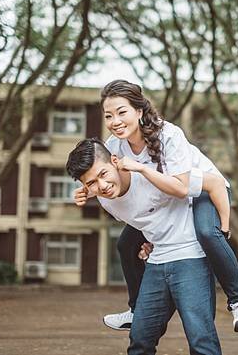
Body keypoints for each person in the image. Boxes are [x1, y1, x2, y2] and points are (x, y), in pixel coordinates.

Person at [98, 79, 238, 333]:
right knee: (126, 243)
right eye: (108, 115)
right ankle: (136, 309)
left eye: (121, 112)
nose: (115, 121)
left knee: (206, 233)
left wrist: (223, 226)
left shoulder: (168, 134)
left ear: (139, 112)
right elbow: (104, 175)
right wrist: (85, 188)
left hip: (205, 189)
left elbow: (183, 188)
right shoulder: (113, 146)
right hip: (165, 199)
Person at [67, 138, 222, 355]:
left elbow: (204, 188)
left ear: (115, 161)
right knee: (140, 341)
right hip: (157, 264)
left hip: (190, 257)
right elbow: (145, 222)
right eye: (91, 183)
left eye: (103, 174)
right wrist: (149, 241)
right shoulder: (107, 201)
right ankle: (134, 309)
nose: (101, 186)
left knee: (201, 341)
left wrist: (221, 227)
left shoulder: (156, 170)